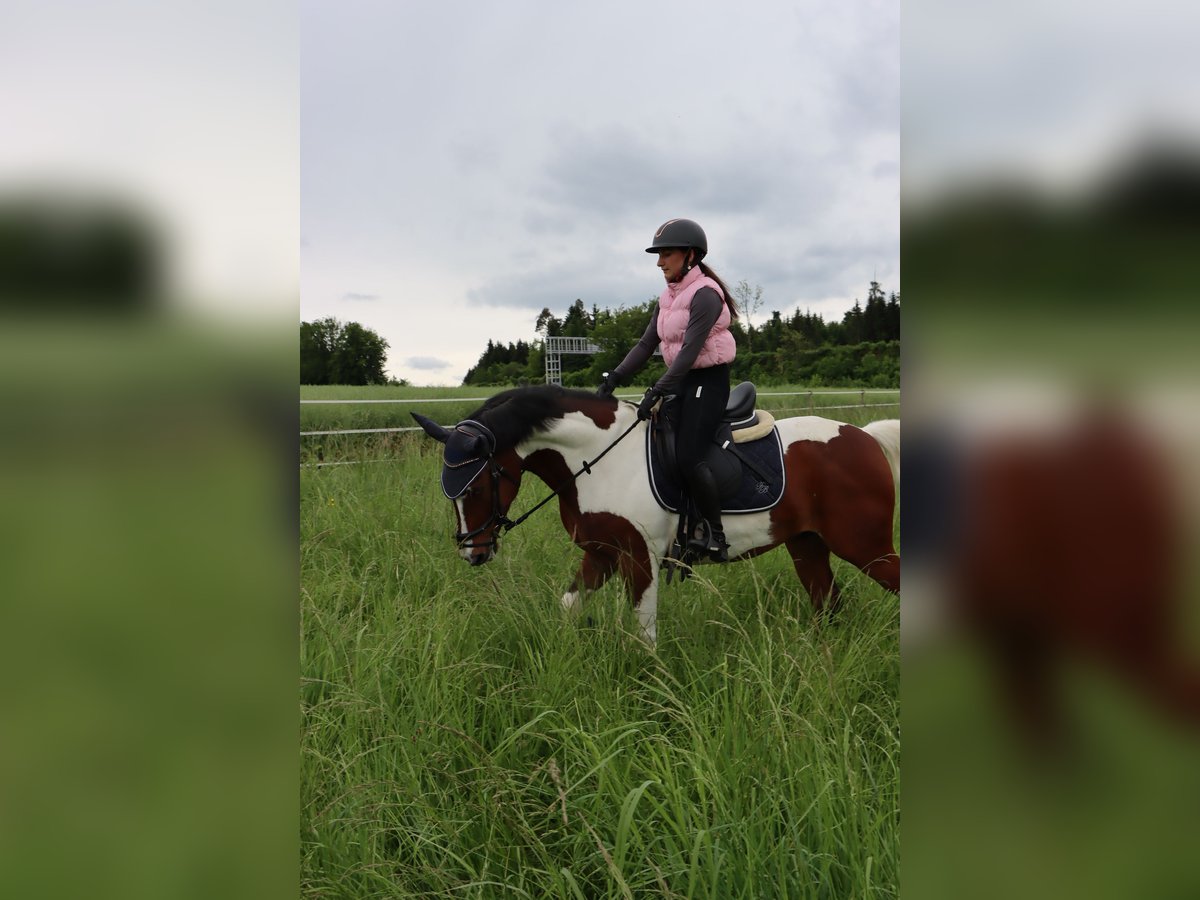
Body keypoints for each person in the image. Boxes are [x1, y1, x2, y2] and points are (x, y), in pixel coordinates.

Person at [597, 218, 739, 561]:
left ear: (690, 255)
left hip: (708, 382)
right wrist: (613, 378)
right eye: (659, 255)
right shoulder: (667, 298)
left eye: (667, 254)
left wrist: (657, 390)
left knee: (689, 455)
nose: (660, 262)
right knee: (658, 446)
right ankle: (676, 527)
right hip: (682, 381)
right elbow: (646, 345)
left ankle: (716, 535)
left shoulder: (706, 295)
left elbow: (690, 352)